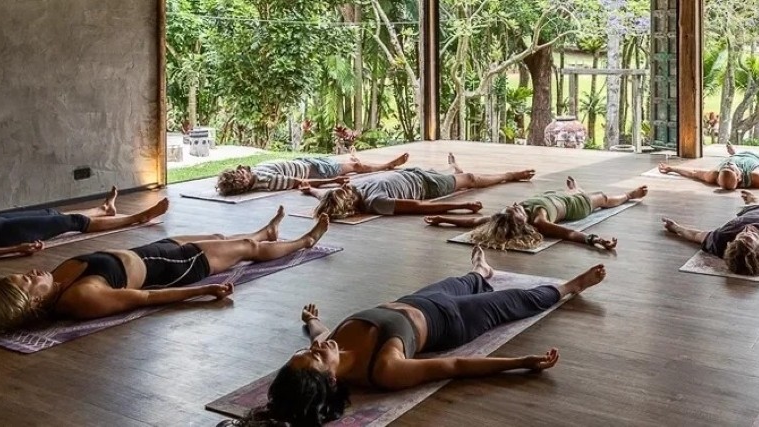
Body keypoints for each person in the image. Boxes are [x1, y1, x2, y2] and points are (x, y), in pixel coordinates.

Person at [241, 247, 606, 426]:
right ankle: (571, 286)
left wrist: (312, 322)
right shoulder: (383, 369)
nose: (320, 346)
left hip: (418, 299)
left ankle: (480, 269)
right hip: (452, 321)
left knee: (466, 280)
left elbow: (322, 335)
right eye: (318, 356)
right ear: (331, 378)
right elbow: (454, 365)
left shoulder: (327, 344)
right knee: (513, 300)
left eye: (308, 349)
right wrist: (522, 362)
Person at [0, 207, 329, 332]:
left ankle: (265, 233)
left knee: (219, 237)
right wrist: (202, 291)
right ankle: (304, 242)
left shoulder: (57, 282)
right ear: (34, 304)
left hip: (152, 252)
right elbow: (145, 298)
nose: (31, 273)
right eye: (26, 281)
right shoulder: (80, 297)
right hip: (176, 267)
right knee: (247, 252)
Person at [422, 176, 648, 251]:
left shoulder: (504, 216)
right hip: (574, 206)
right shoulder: (540, 220)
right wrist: (594, 239)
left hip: (551, 196)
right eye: (516, 210)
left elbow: (473, 221)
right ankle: (629, 195)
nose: (514, 205)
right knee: (602, 198)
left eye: (512, 207)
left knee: (564, 191)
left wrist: (443, 219)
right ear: (522, 223)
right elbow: (569, 234)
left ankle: (573, 188)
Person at [301, 153, 536, 218]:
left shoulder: (351, 190)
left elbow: (325, 193)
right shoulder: (376, 203)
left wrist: (310, 189)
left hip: (411, 173)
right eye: (343, 193)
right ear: (350, 205)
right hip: (427, 184)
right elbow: (418, 206)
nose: (344, 187)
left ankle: (455, 171)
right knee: (470, 180)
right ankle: (510, 175)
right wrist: (460, 206)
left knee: (460, 178)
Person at [0, 187, 169, 258]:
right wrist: (17, 248)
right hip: (5, 234)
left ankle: (104, 210)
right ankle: (138, 218)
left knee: (51, 213)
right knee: (73, 222)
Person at [215, 152, 409, 196]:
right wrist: (333, 180)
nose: (243, 172)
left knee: (351, 164)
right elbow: (301, 182)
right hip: (317, 170)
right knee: (356, 168)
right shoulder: (268, 182)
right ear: (244, 184)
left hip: (307, 162)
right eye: (241, 177)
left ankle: (357, 159)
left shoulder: (257, 173)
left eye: (240, 172)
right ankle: (386, 165)